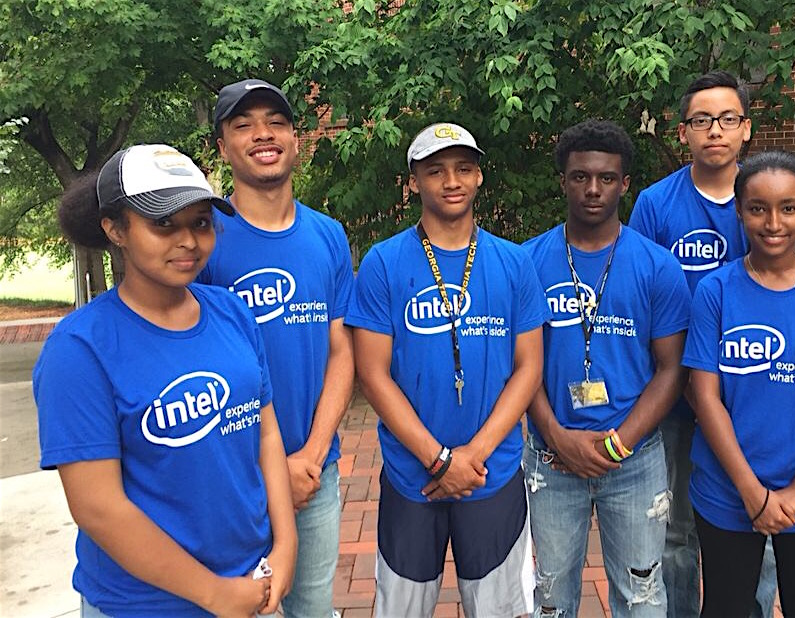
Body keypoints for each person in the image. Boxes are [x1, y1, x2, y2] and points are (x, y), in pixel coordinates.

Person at [34, 144, 297, 617]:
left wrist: (285, 547)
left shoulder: (232, 313)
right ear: (115, 229)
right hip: (145, 604)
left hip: (250, 584)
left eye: (199, 222)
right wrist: (214, 594)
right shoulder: (80, 349)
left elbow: (267, 434)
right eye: (163, 224)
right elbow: (99, 508)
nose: (189, 241)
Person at [346, 122, 549, 617]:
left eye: (463, 168)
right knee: (401, 609)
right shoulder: (384, 263)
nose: (451, 181)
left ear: (479, 177)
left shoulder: (514, 262)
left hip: (491, 474)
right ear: (413, 182)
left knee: (500, 609)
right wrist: (438, 460)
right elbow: (372, 374)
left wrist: (470, 458)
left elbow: (529, 368)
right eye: (435, 171)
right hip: (411, 475)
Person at [682, 150, 795, 617]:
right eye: (757, 208)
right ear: (740, 211)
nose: (773, 223)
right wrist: (752, 492)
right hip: (728, 495)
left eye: (788, 208)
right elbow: (705, 397)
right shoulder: (716, 292)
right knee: (725, 607)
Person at [198, 79, 355, 618]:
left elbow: (340, 351)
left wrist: (312, 454)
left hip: (315, 471)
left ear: (295, 139)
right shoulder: (202, 238)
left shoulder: (329, 235)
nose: (262, 134)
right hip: (234, 477)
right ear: (222, 146)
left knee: (312, 606)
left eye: (275, 122)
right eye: (242, 125)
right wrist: (270, 472)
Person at [522, 120, 691, 617]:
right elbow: (522, 367)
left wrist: (619, 443)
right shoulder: (528, 262)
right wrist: (556, 436)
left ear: (624, 184)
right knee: (551, 599)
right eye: (580, 177)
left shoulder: (658, 266)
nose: (593, 189)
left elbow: (671, 369)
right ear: (563, 181)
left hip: (634, 460)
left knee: (641, 598)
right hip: (551, 461)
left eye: (606, 178)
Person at [627, 70, 777, 618]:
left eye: (727, 119)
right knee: (674, 529)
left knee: (754, 514)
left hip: (752, 389)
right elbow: (639, 298)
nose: (715, 129)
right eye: (701, 120)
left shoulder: (769, 196)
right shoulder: (655, 204)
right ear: (683, 132)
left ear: (746, 129)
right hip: (674, 393)